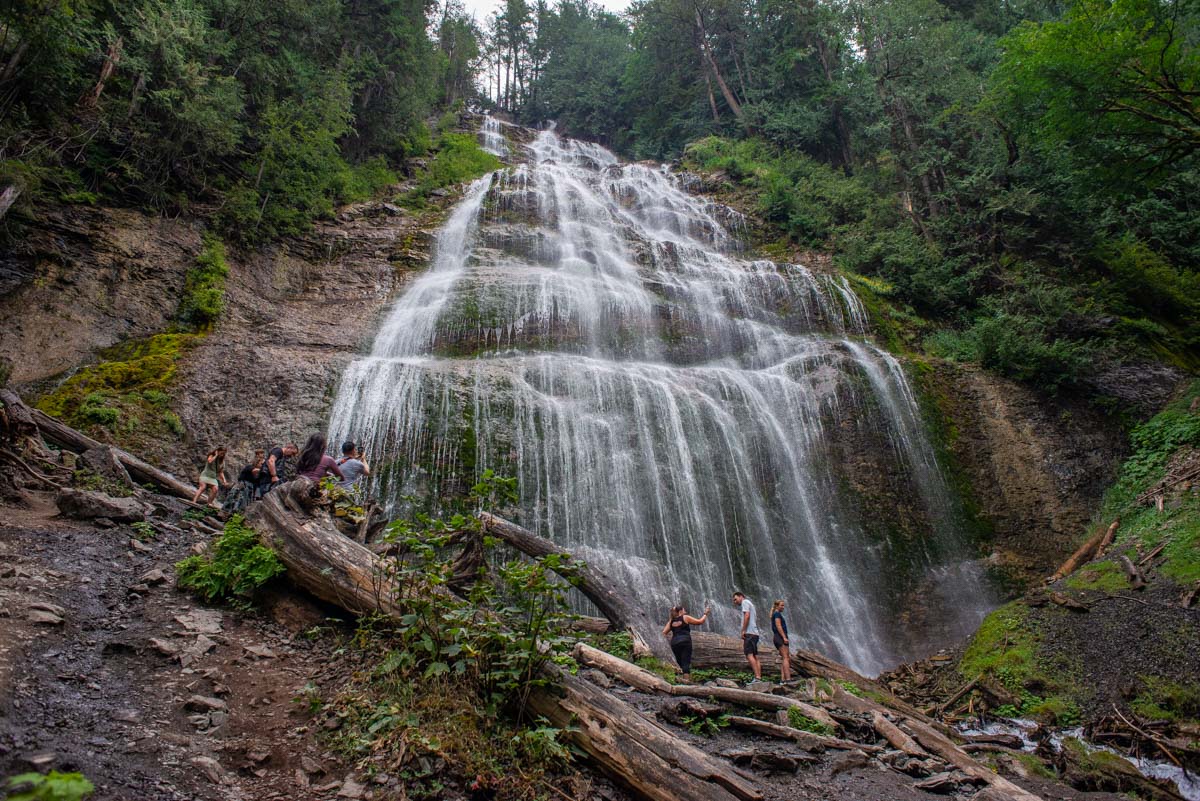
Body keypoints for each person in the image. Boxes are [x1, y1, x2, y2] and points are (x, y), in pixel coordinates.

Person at [661, 603, 710, 684]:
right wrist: (705, 613)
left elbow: (663, 633)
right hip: (685, 642)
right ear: (680, 611)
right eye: (684, 610)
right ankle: (686, 683)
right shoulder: (685, 617)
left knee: (679, 662)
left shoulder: (671, 621)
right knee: (685, 662)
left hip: (675, 643)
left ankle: (678, 681)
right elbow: (700, 621)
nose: (685, 611)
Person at [732, 591, 761, 681]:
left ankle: (757, 677)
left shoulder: (745, 602)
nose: (735, 602)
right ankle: (759, 677)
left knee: (749, 655)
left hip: (750, 633)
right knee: (755, 656)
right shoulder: (750, 604)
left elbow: (747, 616)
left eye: (735, 599)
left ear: (741, 596)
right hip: (755, 633)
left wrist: (743, 630)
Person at [771, 600, 792, 683]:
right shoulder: (777, 614)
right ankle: (788, 679)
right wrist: (784, 637)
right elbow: (778, 626)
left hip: (778, 637)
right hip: (780, 637)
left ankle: (783, 679)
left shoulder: (775, 613)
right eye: (781, 605)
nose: (783, 607)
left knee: (786, 658)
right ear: (777, 606)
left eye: (783, 605)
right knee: (785, 658)